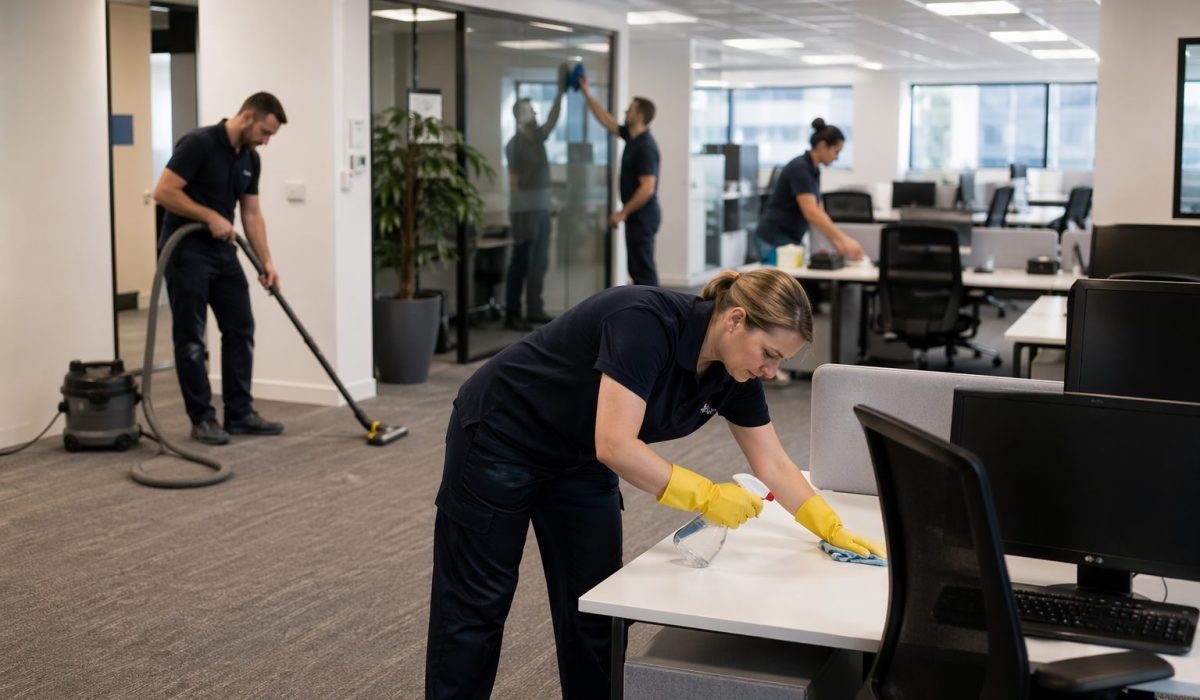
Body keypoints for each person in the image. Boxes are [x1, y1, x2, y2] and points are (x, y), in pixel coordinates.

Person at [424, 268, 885, 699]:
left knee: (596, 609)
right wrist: (705, 495)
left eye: (779, 361)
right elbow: (615, 444)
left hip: (579, 458)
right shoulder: (644, 322)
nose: (771, 371)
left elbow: (775, 464)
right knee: (477, 606)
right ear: (735, 320)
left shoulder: (734, 372)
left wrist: (827, 524)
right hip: (503, 436)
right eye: (769, 354)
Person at [152, 92, 287, 446]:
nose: (266, 141)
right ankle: (202, 419)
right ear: (246, 117)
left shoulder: (250, 160)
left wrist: (266, 262)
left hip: (223, 254)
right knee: (191, 338)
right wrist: (209, 215)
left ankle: (240, 413)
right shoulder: (199, 143)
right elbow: (164, 191)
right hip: (185, 252)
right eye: (264, 131)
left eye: (271, 135)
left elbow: (252, 213)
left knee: (241, 328)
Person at [579, 76, 661, 286]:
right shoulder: (632, 137)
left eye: (630, 110)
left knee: (643, 270)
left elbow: (647, 188)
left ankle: (656, 314)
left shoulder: (645, 146)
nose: (625, 113)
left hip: (643, 215)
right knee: (636, 268)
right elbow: (607, 121)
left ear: (640, 115)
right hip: (637, 215)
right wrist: (587, 93)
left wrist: (622, 212)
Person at [756, 117, 865, 264]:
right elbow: (811, 214)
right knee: (781, 286)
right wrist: (845, 240)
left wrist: (836, 243)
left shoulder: (813, 170)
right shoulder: (800, 169)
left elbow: (819, 212)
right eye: (836, 151)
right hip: (774, 237)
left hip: (789, 238)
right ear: (822, 145)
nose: (837, 158)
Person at [504, 82, 564, 331]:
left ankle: (534, 309)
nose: (534, 113)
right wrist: (522, 213)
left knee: (540, 261)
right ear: (519, 115)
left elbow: (552, 118)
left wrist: (559, 91)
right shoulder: (514, 145)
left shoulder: (538, 137)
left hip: (540, 210)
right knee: (521, 262)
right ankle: (512, 312)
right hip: (524, 212)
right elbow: (514, 184)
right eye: (529, 109)